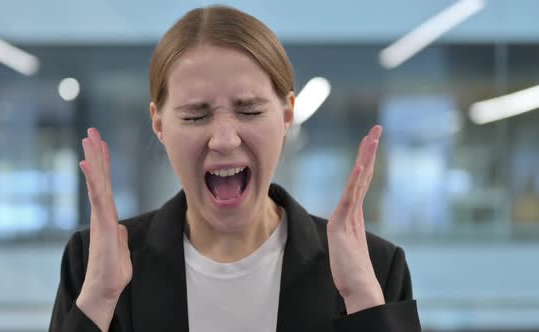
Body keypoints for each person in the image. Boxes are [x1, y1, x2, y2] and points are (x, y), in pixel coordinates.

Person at [49, 5, 421, 332]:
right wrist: (97, 301)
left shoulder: (375, 267)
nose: (224, 139)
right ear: (159, 123)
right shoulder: (94, 261)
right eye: (195, 115)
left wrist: (363, 302)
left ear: (287, 113)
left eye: (250, 110)